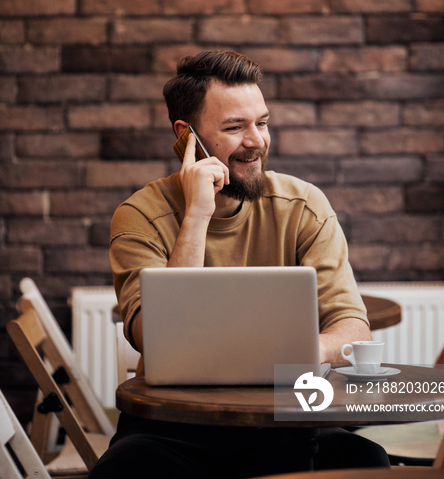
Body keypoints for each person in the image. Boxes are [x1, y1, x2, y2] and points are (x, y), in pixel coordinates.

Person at [90, 50, 390, 478]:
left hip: (293, 417)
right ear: (185, 136)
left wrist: (285, 355)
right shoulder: (140, 215)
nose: (257, 141)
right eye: (235, 127)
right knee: (123, 471)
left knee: (365, 461)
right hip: (177, 425)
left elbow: (353, 329)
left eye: (262, 123)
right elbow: (154, 339)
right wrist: (196, 215)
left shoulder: (304, 206)